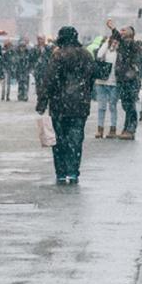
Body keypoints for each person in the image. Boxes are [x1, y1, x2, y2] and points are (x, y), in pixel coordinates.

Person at [36, 26, 96, 184]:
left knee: (59, 140)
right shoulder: (86, 55)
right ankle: (73, 172)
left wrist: (42, 102)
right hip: (80, 105)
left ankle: (61, 172)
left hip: (59, 104)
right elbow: (91, 78)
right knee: (76, 140)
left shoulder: (58, 56)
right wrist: (86, 94)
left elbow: (49, 80)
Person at [108, 19, 142, 140]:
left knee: (130, 105)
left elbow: (120, 39)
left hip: (130, 80)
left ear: (130, 34)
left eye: (124, 30)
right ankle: (126, 128)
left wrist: (113, 29)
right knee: (126, 105)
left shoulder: (132, 44)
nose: (121, 32)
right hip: (123, 79)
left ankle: (131, 129)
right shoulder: (124, 44)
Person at [94, 33, 120, 138]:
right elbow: (99, 55)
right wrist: (106, 43)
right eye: (112, 41)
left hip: (114, 83)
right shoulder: (105, 49)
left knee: (113, 106)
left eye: (116, 41)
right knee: (101, 107)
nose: (114, 43)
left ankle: (112, 129)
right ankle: (100, 129)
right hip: (101, 82)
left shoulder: (120, 52)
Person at [32, 35, 53, 101]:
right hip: (37, 69)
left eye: (41, 39)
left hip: (45, 69)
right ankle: (39, 96)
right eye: (39, 39)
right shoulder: (35, 48)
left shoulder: (48, 48)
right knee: (38, 84)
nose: (40, 41)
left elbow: (50, 57)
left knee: (45, 84)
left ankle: (44, 97)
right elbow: (32, 58)